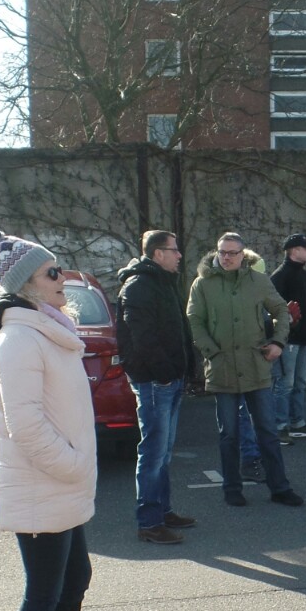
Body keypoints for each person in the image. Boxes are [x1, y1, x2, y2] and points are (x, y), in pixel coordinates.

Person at [0, 227, 117, 611]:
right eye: (51, 272)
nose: (64, 279)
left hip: (61, 484)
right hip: (42, 486)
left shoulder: (49, 330)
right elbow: (26, 425)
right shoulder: (18, 341)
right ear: (27, 286)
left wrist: (75, 466)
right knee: (42, 592)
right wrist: (74, 464)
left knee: (74, 580)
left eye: (60, 269)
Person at [186, 231, 304, 508]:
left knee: (267, 430)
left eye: (232, 253)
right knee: (229, 434)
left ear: (243, 255)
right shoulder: (202, 284)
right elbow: (195, 321)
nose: (226, 258)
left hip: (256, 367)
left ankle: (279, 487)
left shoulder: (258, 281)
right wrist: (211, 352)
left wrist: (277, 342)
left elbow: (281, 311)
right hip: (222, 368)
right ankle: (232, 489)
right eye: (222, 252)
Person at [117, 230, 197, 545]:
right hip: (155, 382)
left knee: (162, 453)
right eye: (174, 250)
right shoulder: (139, 287)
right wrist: (164, 374)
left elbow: (176, 330)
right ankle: (149, 523)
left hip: (170, 380)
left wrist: (182, 371)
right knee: (152, 453)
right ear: (157, 253)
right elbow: (143, 338)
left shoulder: (163, 283)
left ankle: (163, 512)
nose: (179, 255)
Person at [269, 233, 306, 438]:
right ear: (294, 250)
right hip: (288, 340)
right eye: (305, 248)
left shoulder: (303, 275)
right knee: (285, 384)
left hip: (303, 339)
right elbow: (272, 309)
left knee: (299, 382)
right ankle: (280, 425)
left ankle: (297, 422)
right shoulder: (280, 276)